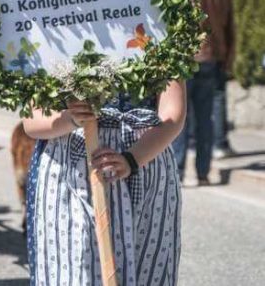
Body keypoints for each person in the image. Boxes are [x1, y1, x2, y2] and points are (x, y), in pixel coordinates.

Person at [24, 85, 185, 285]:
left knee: (147, 269)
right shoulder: (48, 53)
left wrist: (132, 159)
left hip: (146, 158)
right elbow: (32, 121)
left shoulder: (159, 53)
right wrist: (71, 118)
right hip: (70, 169)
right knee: (75, 271)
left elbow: (173, 115)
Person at [172, 0, 235, 185]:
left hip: (186, 57)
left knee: (179, 117)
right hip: (212, 57)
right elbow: (230, 27)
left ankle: (178, 172)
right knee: (206, 117)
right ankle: (203, 172)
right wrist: (228, 56)